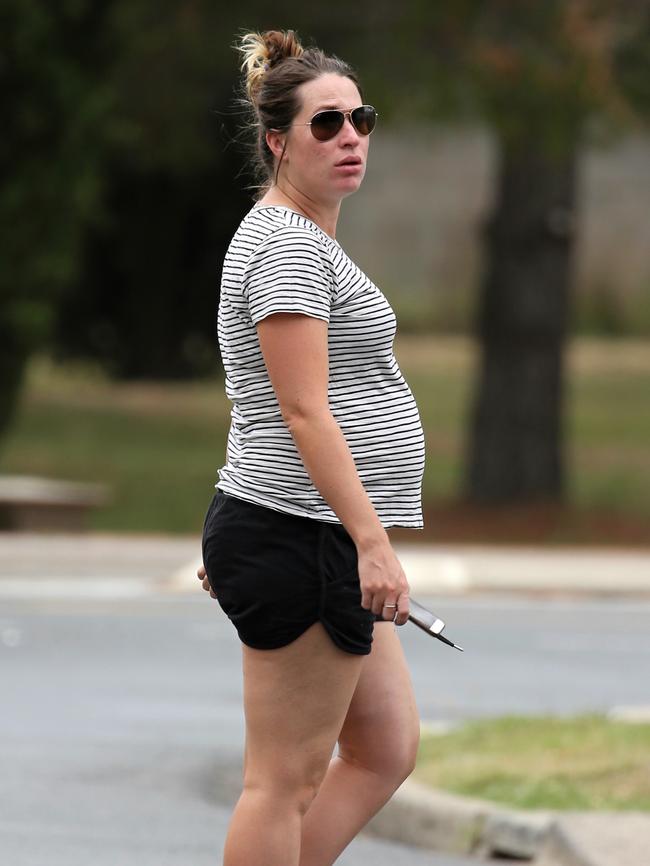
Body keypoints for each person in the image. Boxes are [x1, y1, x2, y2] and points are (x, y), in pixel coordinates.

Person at [196, 28, 426, 866]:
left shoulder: (300, 239)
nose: (351, 137)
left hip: (301, 528)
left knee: (384, 748)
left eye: (360, 119)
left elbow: (250, 395)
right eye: (326, 125)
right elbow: (300, 411)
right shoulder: (288, 246)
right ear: (277, 140)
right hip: (303, 535)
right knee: (282, 781)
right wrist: (372, 542)